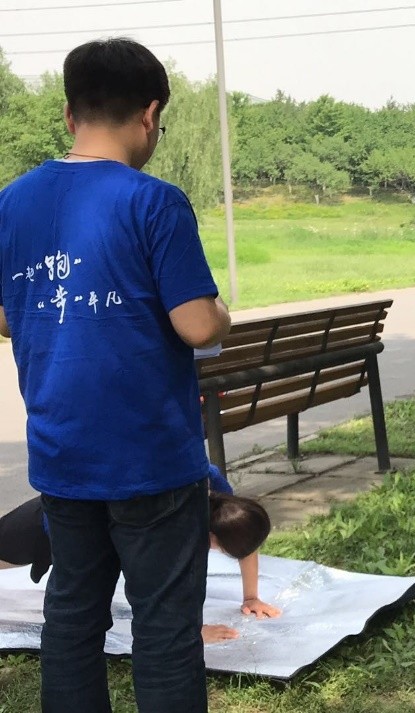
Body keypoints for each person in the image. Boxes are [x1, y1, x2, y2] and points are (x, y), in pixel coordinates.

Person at [0, 38, 231, 711]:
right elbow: (197, 325)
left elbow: (8, 316)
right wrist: (222, 314)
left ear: (70, 113)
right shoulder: (155, 202)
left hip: (63, 454)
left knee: (72, 616)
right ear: (151, 114)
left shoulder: (12, 202)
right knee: (164, 625)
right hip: (150, 457)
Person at [0, 465, 279, 644]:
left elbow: (245, 538)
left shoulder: (222, 503)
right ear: (210, 537)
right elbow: (156, 588)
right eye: (220, 549)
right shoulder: (176, 521)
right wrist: (191, 631)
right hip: (57, 523)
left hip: (91, 520)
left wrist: (251, 597)